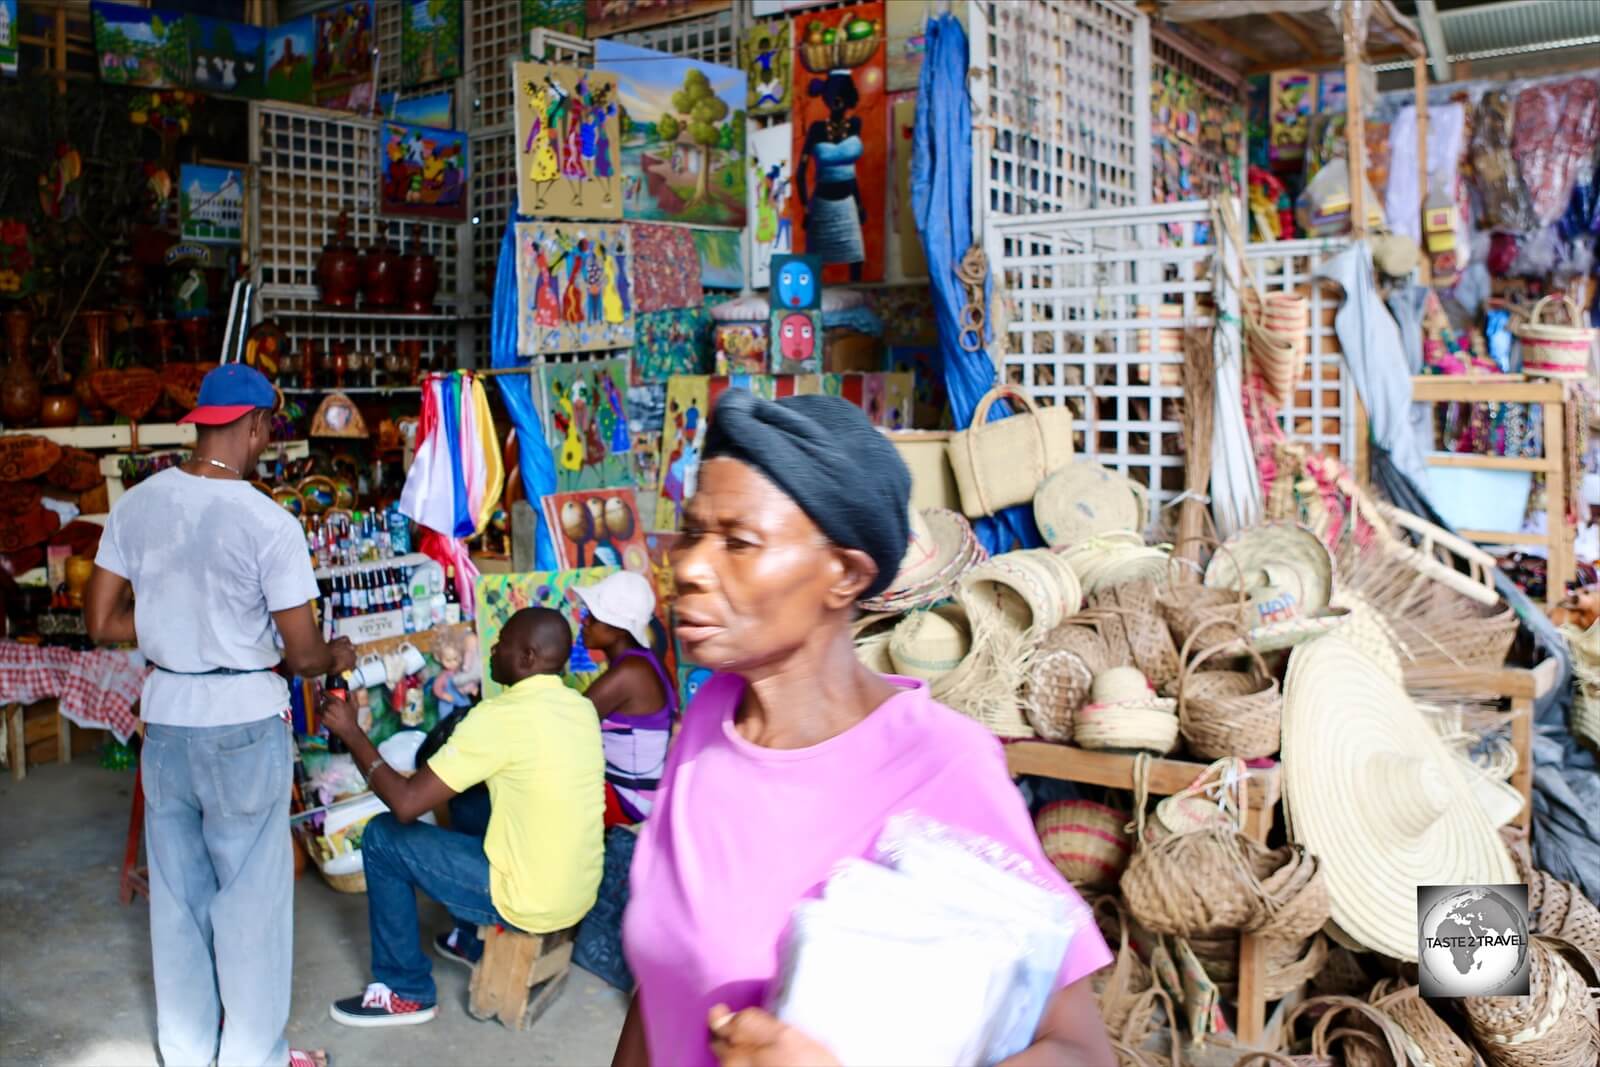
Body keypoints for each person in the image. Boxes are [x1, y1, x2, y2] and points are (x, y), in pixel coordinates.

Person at [612, 391, 1115, 1067]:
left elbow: (1080, 1051)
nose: (691, 566)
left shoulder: (940, 764)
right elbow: (663, 991)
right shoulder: (708, 721)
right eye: (694, 531)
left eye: (738, 541)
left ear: (843, 574)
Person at [84, 363, 356, 1067]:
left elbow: (101, 620)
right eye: (268, 429)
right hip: (241, 718)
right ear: (257, 424)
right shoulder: (269, 522)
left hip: (167, 716)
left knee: (176, 899)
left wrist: (173, 627)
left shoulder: (137, 504)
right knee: (252, 903)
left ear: (204, 420)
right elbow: (301, 656)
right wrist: (336, 652)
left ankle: (186, 1050)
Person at [321, 606, 604, 1026]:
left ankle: (404, 990)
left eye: (502, 642)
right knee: (467, 800)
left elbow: (405, 803)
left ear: (526, 657)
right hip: (579, 890)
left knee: (383, 836)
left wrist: (352, 733)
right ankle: (468, 937)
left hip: (531, 901)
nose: (491, 648)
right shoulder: (579, 707)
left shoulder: (498, 717)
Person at [574, 571, 676, 827]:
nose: (584, 622)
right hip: (639, 793)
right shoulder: (644, 661)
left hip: (628, 800)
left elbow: (567, 723)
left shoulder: (631, 673)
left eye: (593, 618)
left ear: (619, 630)